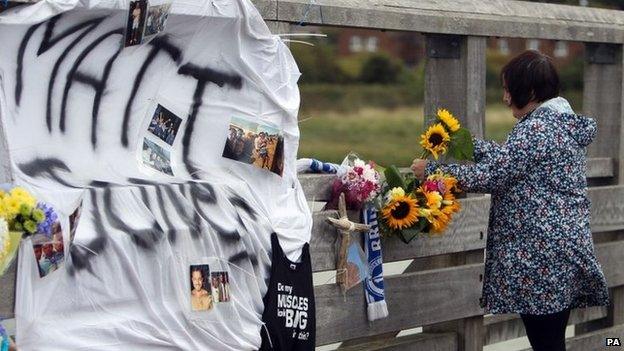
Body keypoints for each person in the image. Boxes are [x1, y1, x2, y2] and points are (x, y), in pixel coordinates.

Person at [411, 50, 609, 351]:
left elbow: (495, 175)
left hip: (541, 260)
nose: (505, 97)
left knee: (547, 344)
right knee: (552, 341)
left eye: (508, 90)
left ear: (529, 92)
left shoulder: (536, 129)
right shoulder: (560, 123)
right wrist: (465, 143)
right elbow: (512, 162)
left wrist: (434, 171)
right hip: (563, 252)